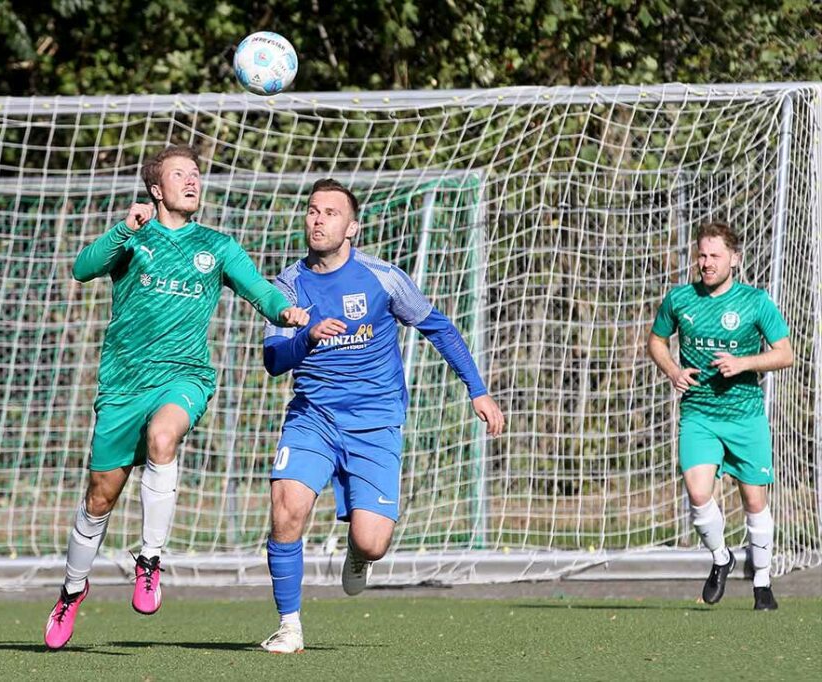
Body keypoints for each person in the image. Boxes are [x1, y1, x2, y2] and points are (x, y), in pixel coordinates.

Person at [44, 145, 309, 650]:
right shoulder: (134, 238)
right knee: (100, 496)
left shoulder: (218, 246)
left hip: (184, 377)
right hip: (123, 386)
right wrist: (124, 229)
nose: (192, 181)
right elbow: (81, 268)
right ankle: (72, 591)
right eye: (179, 175)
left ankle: (149, 559)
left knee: (164, 436)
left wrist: (286, 312)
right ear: (155, 189)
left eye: (195, 174)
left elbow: (261, 291)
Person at [258, 178, 505, 653]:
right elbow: (273, 361)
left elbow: (439, 327)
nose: (317, 219)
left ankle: (358, 551)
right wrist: (305, 338)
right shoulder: (286, 286)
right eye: (312, 210)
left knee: (372, 542)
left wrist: (478, 391)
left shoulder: (382, 277)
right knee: (286, 511)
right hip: (313, 417)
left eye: (331, 213)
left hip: (374, 420)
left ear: (352, 227)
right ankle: (289, 626)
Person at [647, 221, 793, 611]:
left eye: (714, 255)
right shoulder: (680, 299)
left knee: (753, 501)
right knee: (698, 493)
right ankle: (721, 558)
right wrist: (673, 371)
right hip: (699, 413)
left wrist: (744, 362)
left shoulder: (756, 302)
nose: (706, 263)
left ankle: (762, 582)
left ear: (734, 258)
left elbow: (785, 353)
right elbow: (656, 341)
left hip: (745, 416)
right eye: (702, 255)